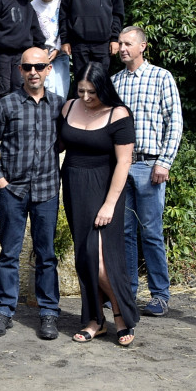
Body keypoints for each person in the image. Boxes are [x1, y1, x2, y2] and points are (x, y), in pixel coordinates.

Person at [0, 47, 64, 339]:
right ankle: (3, 311)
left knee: (46, 255)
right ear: (20, 70)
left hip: (46, 191)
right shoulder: (7, 105)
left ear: (48, 70)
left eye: (39, 67)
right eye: (27, 67)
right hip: (13, 191)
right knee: (9, 254)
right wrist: (0, 180)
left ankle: (48, 313)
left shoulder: (59, 106)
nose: (33, 72)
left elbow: (68, 142)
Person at [60, 63, 138, 346]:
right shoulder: (68, 108)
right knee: (85, 258)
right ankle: (95, 320)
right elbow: (57, 144)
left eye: (91, 91)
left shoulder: (118, 114)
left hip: (106, 191)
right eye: (80, 90)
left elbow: (124, 162)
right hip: (74, 188)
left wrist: (109, 204)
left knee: (102, 261)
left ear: (103, 87)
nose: (85, 96)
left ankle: (120, 315)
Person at [111, 26, 183, 317]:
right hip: (121, 166)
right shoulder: (114, 82)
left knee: (151, 232)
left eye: (128, 43)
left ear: (143, 46)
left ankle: (160, 295)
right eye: (120, 43)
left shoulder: (161, 77)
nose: (123, 48)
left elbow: (174, 122)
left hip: (149, 165)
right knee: (125, 232)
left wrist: (164, 162)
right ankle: (128, 292)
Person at [30, 0, 70, 98]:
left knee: (61, 91)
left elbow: (65, 26)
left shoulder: (62, 3)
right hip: (41, 54)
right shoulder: (33, 5)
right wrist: (41, 50)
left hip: (59, 53)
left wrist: (58, 48)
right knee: (44, 90)